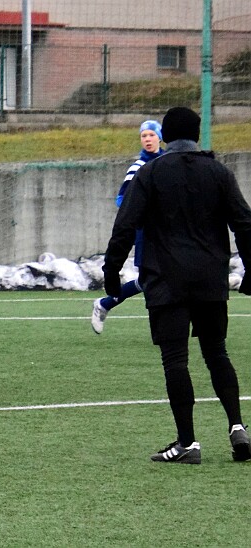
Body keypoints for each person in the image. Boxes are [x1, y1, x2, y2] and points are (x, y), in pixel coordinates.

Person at [104, 106, 251, 464]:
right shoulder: (218, 172)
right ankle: (237, 427)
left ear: (165, 136)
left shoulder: (152, 172)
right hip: (210, 277)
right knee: (217, 352)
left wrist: (111, 271)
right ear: (197, 135)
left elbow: (126, 224)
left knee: (175, 360)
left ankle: (188, 443)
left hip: (166, 278)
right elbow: (244, 223)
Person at [91, 120, 165, 334]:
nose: (148, 139)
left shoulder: (168, 162)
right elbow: (122, 200)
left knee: (155, 278)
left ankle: (105, 304)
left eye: (151, 135)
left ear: (160, 137)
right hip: (146, 232)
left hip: (167, 231)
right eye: (144, 136)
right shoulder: (137, 167)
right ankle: (161, 328)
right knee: (148, 278)